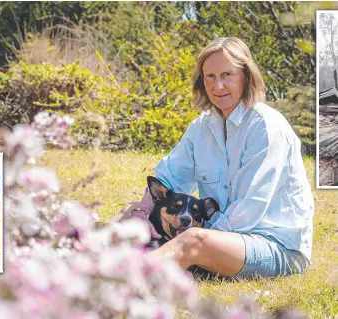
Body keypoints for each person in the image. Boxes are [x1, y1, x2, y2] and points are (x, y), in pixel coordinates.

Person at [114, 37, 314, 278]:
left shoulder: (267, 128)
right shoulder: (202, 127)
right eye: (210, 76)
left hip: (276, 247)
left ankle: (119, 280)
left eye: (227, 75)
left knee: (191, 241)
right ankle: (82, 260)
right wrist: (142, 214)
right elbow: (169, 177)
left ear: (246, 77)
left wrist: (198, 234)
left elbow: (248, 211)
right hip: (219, 240)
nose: (218, 86)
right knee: (130, 213)